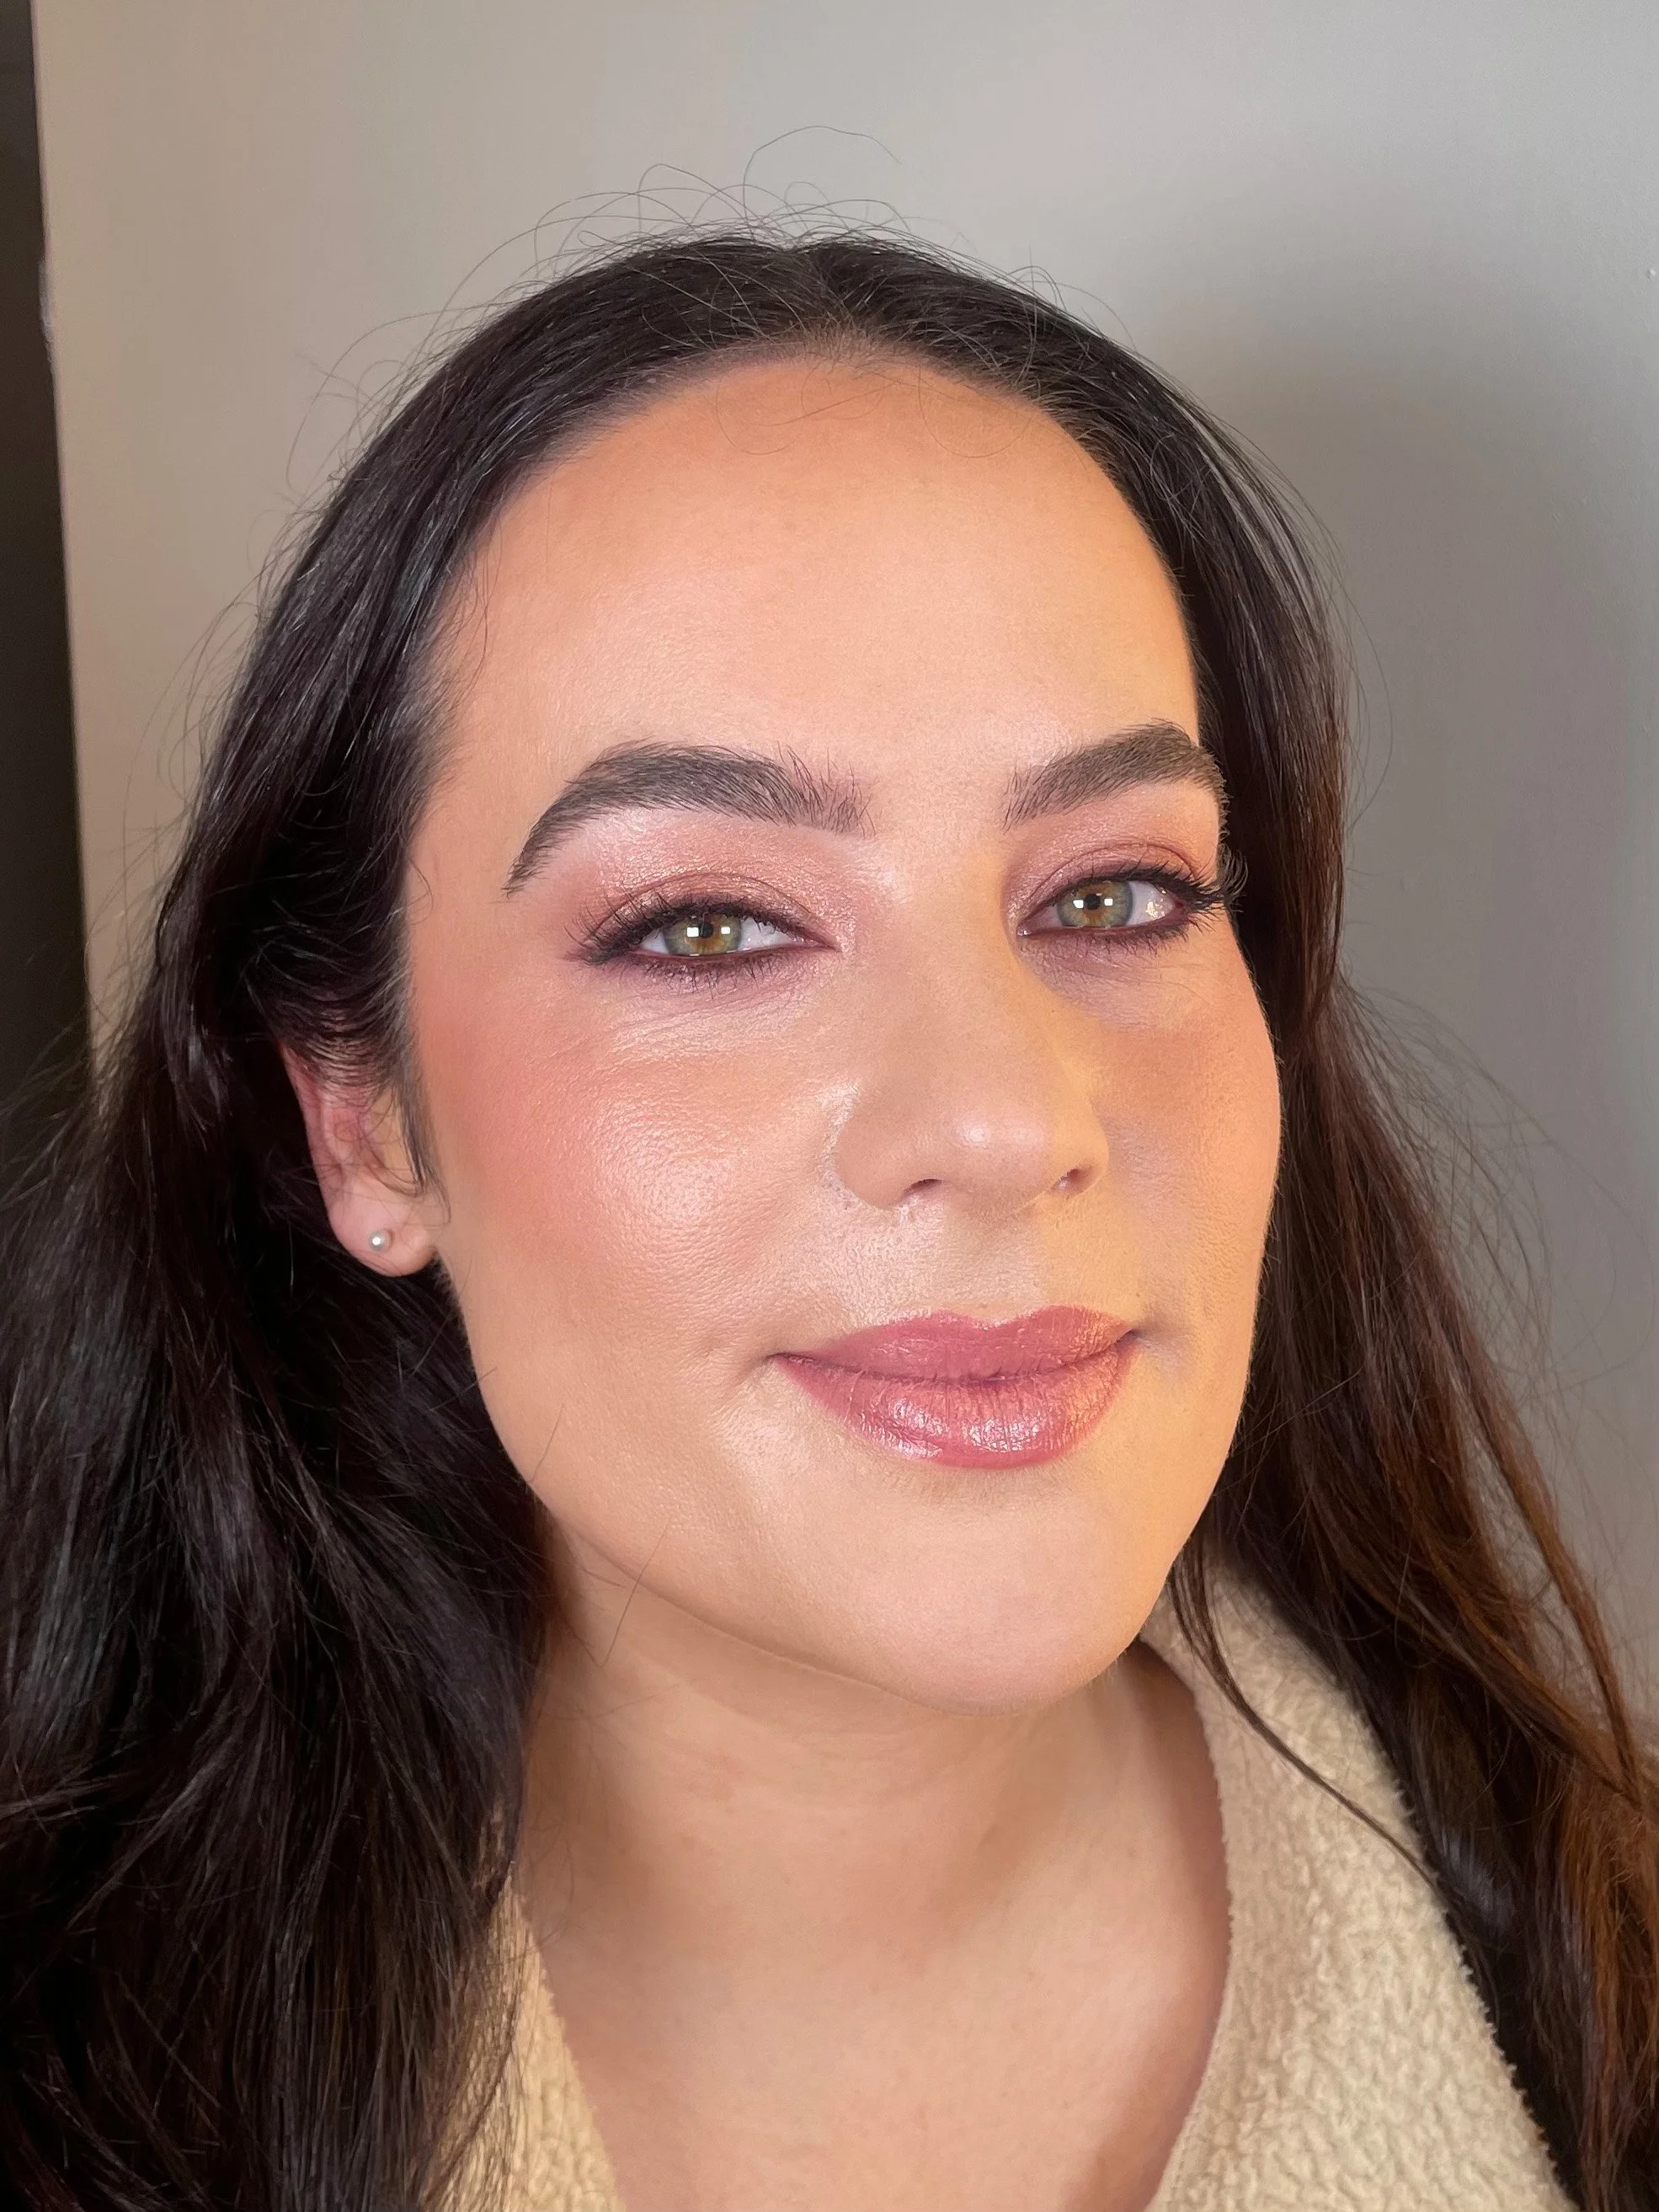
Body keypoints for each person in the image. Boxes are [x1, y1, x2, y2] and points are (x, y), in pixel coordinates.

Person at [2, 232, 1655, 2212]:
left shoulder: (1594, 1971)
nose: (1002, 1113)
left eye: (1117, 891)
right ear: (364, 1127)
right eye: (706, 924)